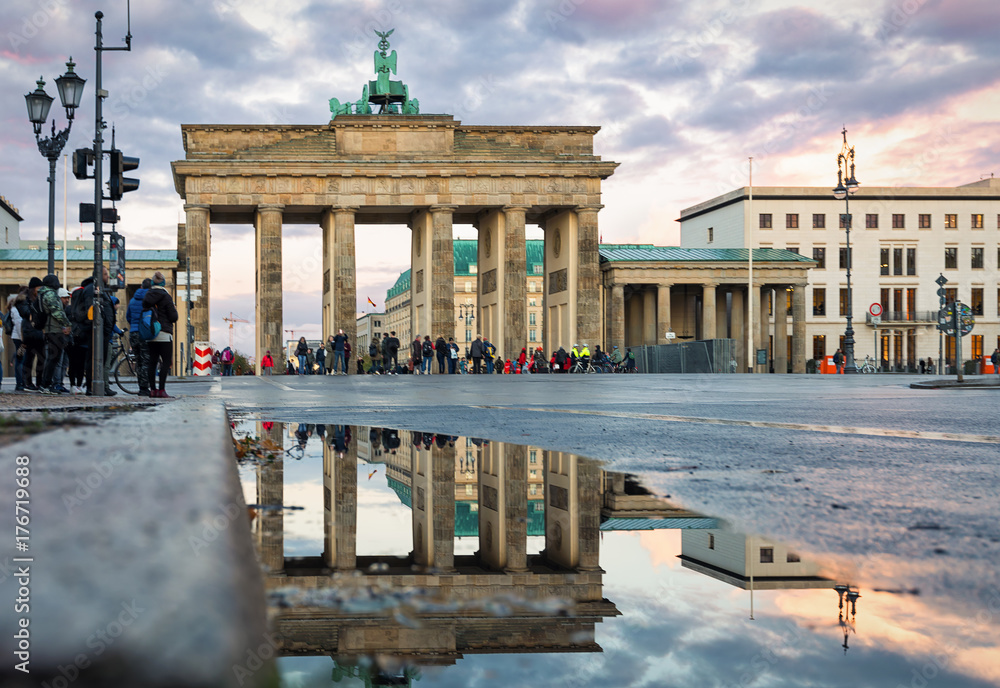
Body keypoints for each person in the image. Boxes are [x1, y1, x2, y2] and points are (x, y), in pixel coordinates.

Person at [142, 271, 179, 398]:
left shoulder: (147, 296)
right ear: (163, 283)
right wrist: (173, 308)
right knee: (166, 361)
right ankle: (161, 390)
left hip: (151, 334)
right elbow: (173, 317)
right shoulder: (166, 296)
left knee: (152, 362)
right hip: (164, 333)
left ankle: (152, 390)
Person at [37, 274, 71, 394]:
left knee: (52, 358)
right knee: (53, 359)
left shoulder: (42, 294)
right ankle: (45, 385)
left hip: (49, 329)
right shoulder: (50, 294)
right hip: (54, 329)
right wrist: (67, 324)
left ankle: (45, 384)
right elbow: (57, 312)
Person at [125, 278, 152, 396]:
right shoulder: (150, 300)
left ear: (141, 287)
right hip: (144, 333)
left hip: (133, 333)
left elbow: (128, 317)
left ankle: (141, 387)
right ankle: (144, 388)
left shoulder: (132, 301)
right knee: (146, 361)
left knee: (138, 361)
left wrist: (134, 325)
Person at [6, 292, 26, 391]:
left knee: (20, 360)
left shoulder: (14, 309)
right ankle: (20, 383)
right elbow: (19, 324)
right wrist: (23, 340)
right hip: (20, 338)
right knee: (21, 360)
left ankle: (20, 382)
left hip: (18, 337)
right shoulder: (17, 309)